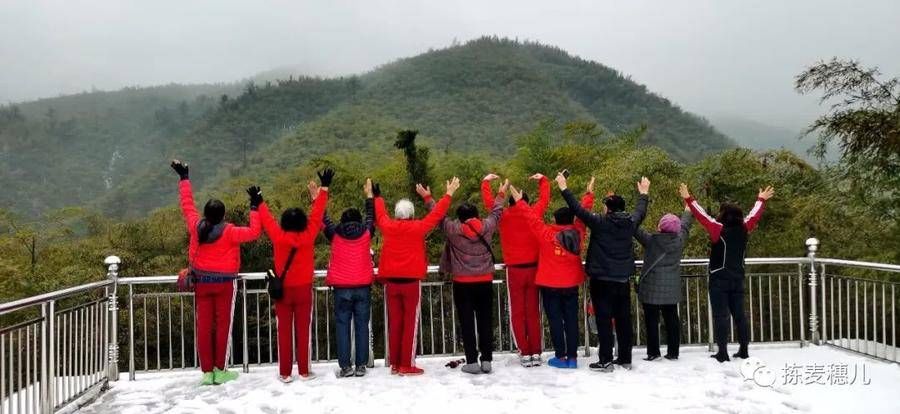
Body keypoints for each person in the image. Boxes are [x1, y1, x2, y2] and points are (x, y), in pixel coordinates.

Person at [171, 160, 261, 386]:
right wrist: (254, 207)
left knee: (203, 326)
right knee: (223, 327)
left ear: (205, 214)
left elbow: (187, 205)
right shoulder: (230, 231)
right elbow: (254, 232)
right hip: (224, 284)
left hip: (201, 282)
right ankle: (221, 370)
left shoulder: (195, 226)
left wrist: (184, 177)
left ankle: (206, 373)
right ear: (223, 215)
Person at [558, 173, 649, 372]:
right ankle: (625, 358)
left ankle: (606, 359)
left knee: (604, 319)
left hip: (601, 279)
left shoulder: (600, 222)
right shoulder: (630, 223)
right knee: (624, 319)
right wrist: (644, 193)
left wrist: (564, 187)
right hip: (622, 279)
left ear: (607, 208)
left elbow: (577, 209)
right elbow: (640, 211)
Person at [373, 176, 459, 376]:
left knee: (395, 324)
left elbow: (380, 215)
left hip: (391, 284)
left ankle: (395, 364)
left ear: (397, 214)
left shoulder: (388, 226)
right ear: (411, 214)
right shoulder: (418, 227)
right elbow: (437, 214)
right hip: (411, 284)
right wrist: (448, 194)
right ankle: (406, 364)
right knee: (410, 325)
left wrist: (377, 197)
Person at [680, 183, 774, 362]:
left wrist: (688, 198)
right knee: (740, 316)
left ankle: (722, 352)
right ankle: (744, 350)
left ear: (723, 215)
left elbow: (702, 216)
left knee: (720, 316)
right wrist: (761, 200)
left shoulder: (718, 230)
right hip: (738, 278)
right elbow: (755, 215)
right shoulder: (745, 228)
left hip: (719, 279)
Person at [258, 169, 331, 382]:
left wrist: (259, 200)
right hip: (303, 289)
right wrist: (324, 187)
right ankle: (305, 371)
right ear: (301, 222)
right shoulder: (308, 235)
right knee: (303, 331)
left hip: (283, 290)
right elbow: (317, 213)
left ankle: (285, 373)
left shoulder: (278, 237)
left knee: (284, 332)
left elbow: (267, 220)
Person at [511, 180, 593, 369]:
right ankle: (572, 358)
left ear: (555, 220)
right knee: (571, 320)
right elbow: (583, 214)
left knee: (555, 320)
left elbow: (531, 218)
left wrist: (520, 201)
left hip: (550, 286)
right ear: (571, 220)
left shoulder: (547, 234)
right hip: (571, 284)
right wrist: (588, 195)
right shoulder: (578, 232)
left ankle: (561, 357)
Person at [436, 178, 507, 374]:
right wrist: (500, 194)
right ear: (476, 214)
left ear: (459, 217)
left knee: (467, 322)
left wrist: (436, 195)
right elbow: (497, 212)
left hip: (462, 284)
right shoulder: (487, 226)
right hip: (485, 281)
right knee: (486, 320)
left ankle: (472, 362)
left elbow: (437, 216)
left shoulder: (454, 229)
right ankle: (487, 361)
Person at [481, 173, 550, 367]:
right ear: (525, 203)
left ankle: (525, 352)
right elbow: (545, 199)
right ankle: (536, 351)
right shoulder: (533, 212)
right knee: (533, 312)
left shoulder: (504, 216)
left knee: (517, 312)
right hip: (534, 269)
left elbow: (491, 205)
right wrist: (544, 180)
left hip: (514, 271)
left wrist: (486, 183)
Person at [323, 178, 376, 378]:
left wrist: (319, 196)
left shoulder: (335, 234)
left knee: (342, 326)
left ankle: (345, 367)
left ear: (343, 221)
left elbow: (323, 218)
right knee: (362, 325)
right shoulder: (366, 233)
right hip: (363, 287)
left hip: (341, 288)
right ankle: (361, 365)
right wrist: (369, 196)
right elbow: (372, 217)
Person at [634, 205, 693, 361]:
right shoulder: (679, 240)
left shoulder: (651, 240)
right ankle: (673, 352)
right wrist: (687, 210)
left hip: (651, 289)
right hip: (670, 289)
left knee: (651, 321)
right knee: (672, 319)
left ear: (660, 227)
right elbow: (685, 226)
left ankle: (653, 352)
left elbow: (634, 228)